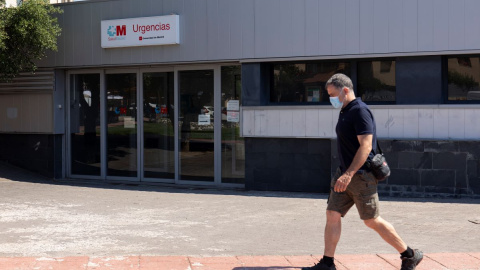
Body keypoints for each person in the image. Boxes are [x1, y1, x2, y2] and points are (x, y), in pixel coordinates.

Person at [303, 74, 423, 270]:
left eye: (332, 94)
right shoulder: (345, 110)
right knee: (332, 214)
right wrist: (344, 173)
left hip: (360, 176)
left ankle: (409, 255)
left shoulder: (360, 111)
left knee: (371, 220)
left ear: (345, 90)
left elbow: (366, 146)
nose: (330, 99)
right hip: (344, 174)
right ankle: (328, 263)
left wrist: (349, 174)